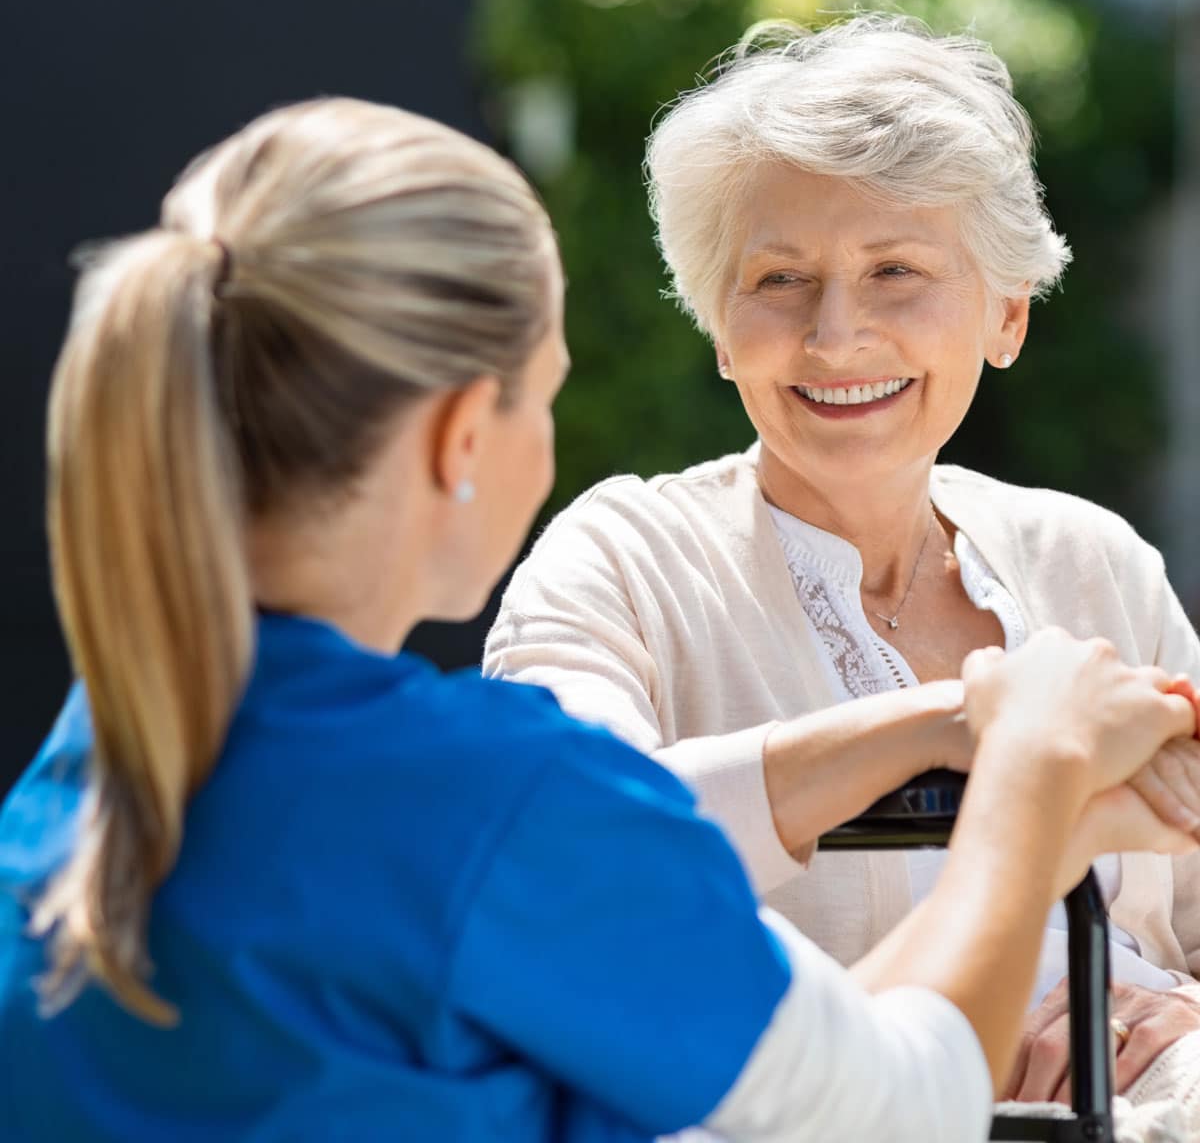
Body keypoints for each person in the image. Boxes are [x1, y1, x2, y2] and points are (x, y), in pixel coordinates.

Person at [0, 97, 1194, 1143]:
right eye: (552, 395)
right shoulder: (494, 802)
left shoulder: (89, 768)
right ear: (466, 436)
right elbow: (895, 1105)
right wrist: (1031, 777)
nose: (835, 329)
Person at [483, 13, 1200, 1112]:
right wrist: (964, 729)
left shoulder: (1091, 559)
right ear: (720, 328)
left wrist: (1173, 1020)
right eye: (777, 280)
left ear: (1007, 314)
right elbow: (569, 854)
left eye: (896, 270)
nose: (833, 335)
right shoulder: (619, 557)